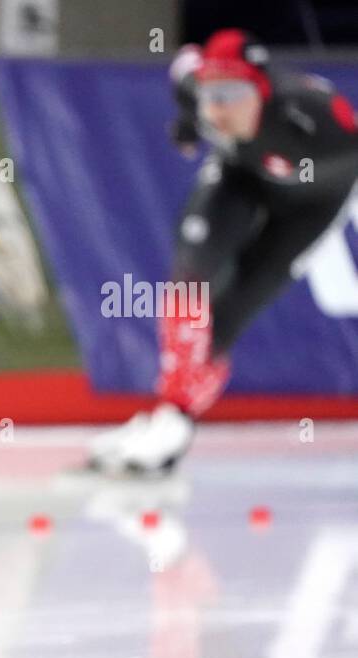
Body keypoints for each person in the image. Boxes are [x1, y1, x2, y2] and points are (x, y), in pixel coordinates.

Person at [89, 28, 358, 475]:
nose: (217, 107)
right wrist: (187, 122)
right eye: (210, 94)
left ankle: (174, 420)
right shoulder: (197, 88)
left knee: (237, 305)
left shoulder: (313, 114)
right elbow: (183, 70)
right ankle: (171, 414)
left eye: (232, 93)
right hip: (242, 178)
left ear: (262, 89)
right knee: (194, 269)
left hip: (312, 203)